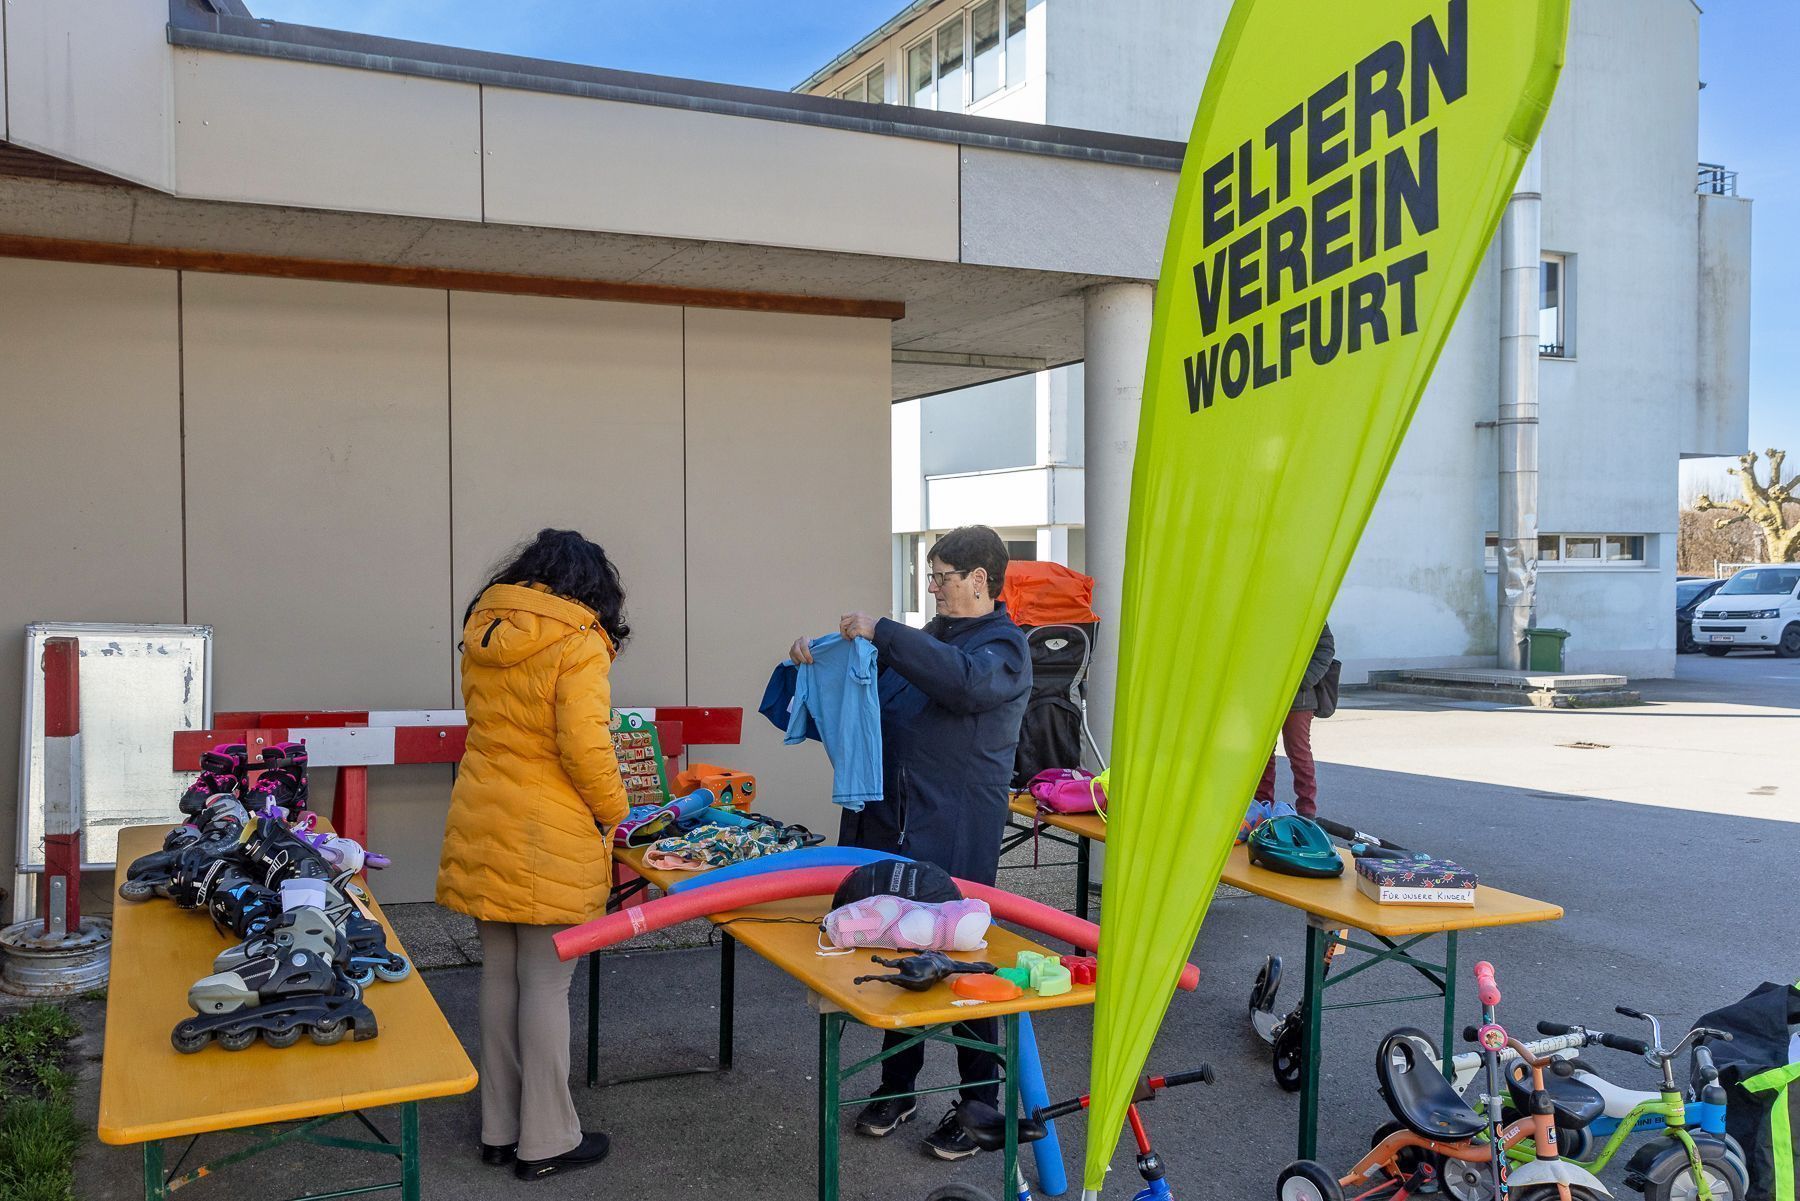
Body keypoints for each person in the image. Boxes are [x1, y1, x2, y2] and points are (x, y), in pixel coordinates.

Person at [788, 524, 1031, 1161]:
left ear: (980, 580)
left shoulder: (1003, 649)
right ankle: (899, 1086)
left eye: (941, 576)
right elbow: (859, 722)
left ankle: (979, 1103)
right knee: (900, 956)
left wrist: (883, 633)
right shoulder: (917, 645)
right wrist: (811, 670)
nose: (932, 587)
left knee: (965, 967)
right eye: (930, 576)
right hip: (890, 830)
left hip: (955, 840)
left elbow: (963, 684)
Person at [436, 529, 631, 1182]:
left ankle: (500, 1127)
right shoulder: (578, 640)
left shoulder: (484, 628)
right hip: (547, 831)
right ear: (592, 586)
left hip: (481, 818)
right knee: (546, 984)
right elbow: (585, 747)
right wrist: (619, 815)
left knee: (498, 975)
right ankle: (544, 1138)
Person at [1255, 623, 1336, 819]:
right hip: (1264, 694)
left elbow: (1325, 647)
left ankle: (1307, 812)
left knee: (1299, 754)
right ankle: (1261, 806)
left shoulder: (1310, 606)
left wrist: (1303, 680)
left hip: (1299, 698)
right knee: (1263, 755)